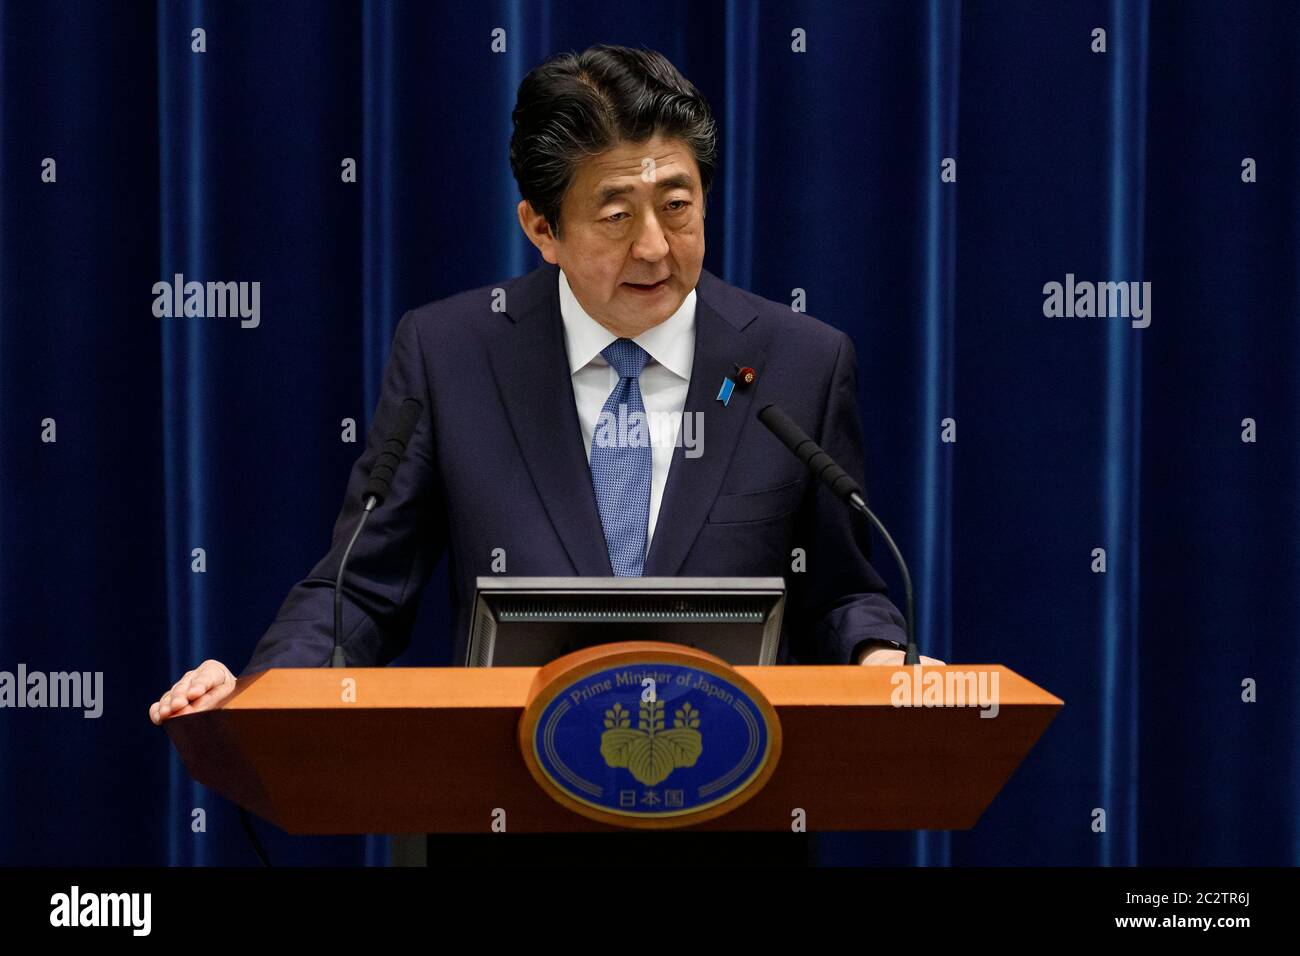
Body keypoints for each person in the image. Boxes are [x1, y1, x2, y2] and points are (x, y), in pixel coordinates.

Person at [149, 45, 940, 861]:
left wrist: (881, 656)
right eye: (614, 215)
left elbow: (840, 591)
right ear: (541, 226)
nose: (655, 249)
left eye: (678, 205)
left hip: (727, 827)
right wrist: (266, 691)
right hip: (502, 830)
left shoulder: (798, 362)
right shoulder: (452, 353)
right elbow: (364, 587)